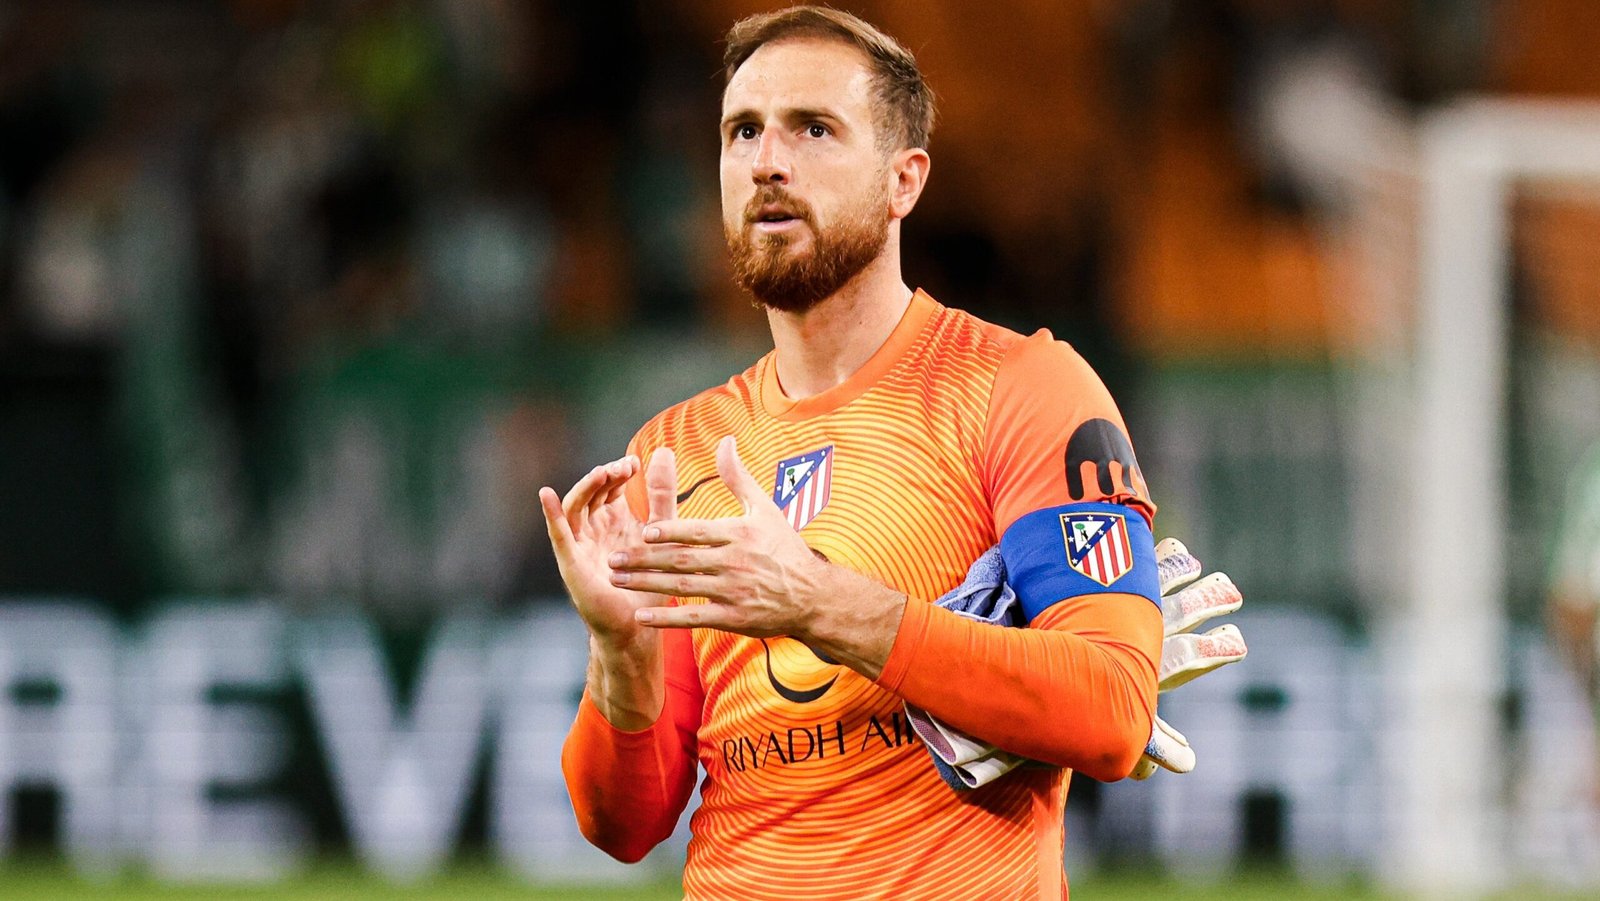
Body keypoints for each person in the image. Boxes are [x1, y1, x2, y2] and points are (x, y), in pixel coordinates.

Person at [541, 7, 1164, 897]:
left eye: (814, 128)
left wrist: (823, 604)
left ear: (904, 181)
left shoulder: (1022, 388)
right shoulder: (676, 450)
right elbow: (624, 824)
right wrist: (620, 654)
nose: (767, 161)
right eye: (742, 130)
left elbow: (1114, 709)